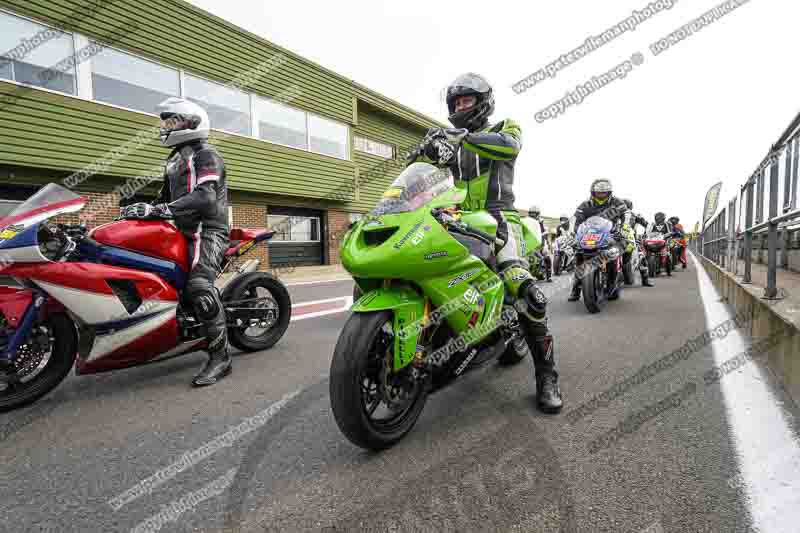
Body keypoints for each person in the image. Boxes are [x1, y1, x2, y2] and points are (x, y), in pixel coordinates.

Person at [421, 72, 562, 413]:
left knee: (526, 292)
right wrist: (424, 150)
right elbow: (422, 171)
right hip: (456, 218)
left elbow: (510, 147)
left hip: (499, 218)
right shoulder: (454, 142)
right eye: (455, 103)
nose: (459, 107)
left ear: (483, 103)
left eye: (466, 100)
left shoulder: (505, 128)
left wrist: (461, 137)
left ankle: (546, 376)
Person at [123, 97, 231, 387]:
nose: (166, 127)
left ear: (191, 123)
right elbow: (165, 199)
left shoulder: (206, 155)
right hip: (181, 230)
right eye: (166, 122)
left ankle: (221, 357)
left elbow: (205, 196)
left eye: (172, 122)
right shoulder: (174, 159)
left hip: (208, 230)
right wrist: (139, 209)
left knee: (199, 287)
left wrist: (158, 211)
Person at [568, 178, 629, 302]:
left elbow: (626, 214)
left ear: (609, 192)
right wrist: (572, 231)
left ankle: (613, 284)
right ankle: (576, 289)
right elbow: (576, 218)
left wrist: (625, 227)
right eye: (598, 193)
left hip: (611, 233)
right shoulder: (586, 204)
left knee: (615, 254)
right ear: (593, 192)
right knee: (579, 256)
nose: (601, 195)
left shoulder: (617, 202)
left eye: (604, 193)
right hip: (589, 235)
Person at [622, 199, 653, 287]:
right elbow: (648, 226)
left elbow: (648, 225)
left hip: (631, 239)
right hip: (618, 239)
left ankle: (645, 280)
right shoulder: (615, 215)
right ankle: (645, 281)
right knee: (642, 257)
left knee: (641, 256)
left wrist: (645, 235)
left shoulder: (635, 215)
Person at [527, 205, 553, 282]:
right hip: (529, 245)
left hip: (539, 245)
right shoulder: (527, 222)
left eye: (534, 214)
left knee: (547, 258)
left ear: (538, 214)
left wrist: (548, 243)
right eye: (531, 213)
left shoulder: (541, 223)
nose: (532, 215)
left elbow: (545, 233)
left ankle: (549, 276)